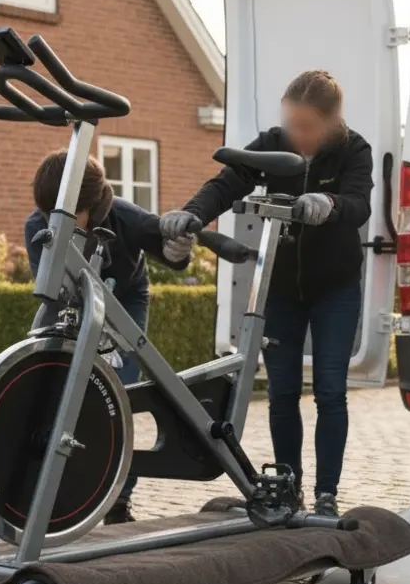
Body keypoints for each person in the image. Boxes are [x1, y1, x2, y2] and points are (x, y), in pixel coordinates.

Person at [159, 70, 373, 517]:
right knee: (281, 392)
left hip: (335, 289)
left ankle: (327, 495)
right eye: (292, 124)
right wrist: (192, 214)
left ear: (332, 121)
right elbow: (226, 182)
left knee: (331, 390)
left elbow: (358, 204)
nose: (298, 135)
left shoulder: (354, 150)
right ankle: (287, 487)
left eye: (308, 127)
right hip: (281, 288)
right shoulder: (273, 144)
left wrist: (327, 204)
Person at [24, 150, 193, 523]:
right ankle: (50, 490)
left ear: (91, 206)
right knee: (55, 391)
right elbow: (51, 291)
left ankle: (118, 502)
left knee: (120, 396)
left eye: (67, 215)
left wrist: (179, 249)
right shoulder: (37, 225)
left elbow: (171, 253)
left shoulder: (126, 218)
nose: (55, 222)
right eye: (48, 214)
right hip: (71, 297)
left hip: (126, 299)